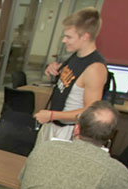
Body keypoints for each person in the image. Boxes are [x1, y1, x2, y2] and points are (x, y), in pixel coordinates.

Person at [35, 8, 107, 142]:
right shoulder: (76, 56)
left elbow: (90, 113)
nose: (64, 40)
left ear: (85, 36)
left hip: (68, 132)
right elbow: (71, 83)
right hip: (53, 125)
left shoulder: (95, 68)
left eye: (69, 37)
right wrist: (56, 69)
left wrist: (51, 115)